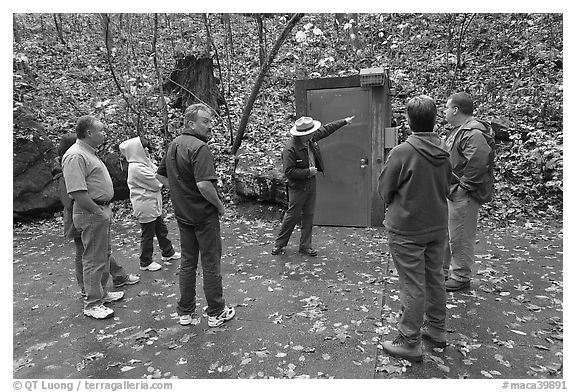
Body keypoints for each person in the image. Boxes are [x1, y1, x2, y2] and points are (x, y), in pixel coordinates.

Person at [378, 95, 452, 361]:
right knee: (434, 278)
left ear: (408, 122)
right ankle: (436, 329)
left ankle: (410, 340)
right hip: (436, 226)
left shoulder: (402, 152)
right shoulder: (444, 151)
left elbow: (385, 189)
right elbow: (448, 187)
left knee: (412, 285)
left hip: (407, 229)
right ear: (434, 120)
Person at [156, 103, 235, 328]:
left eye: (210, 121)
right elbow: (204, 185)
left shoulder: (174, 144)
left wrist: (180, 193)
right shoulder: (200, 148)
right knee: (211, 263)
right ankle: (216, 311)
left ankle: (186, 312)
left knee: (188, 263)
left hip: (183, 215)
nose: (210, 126)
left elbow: (160, 176)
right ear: (191, 124)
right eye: (205, 122)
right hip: (203, 217)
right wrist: (220, 207)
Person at [54, 134, 140, 299]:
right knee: (87, 253)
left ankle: (116, 277)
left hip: (89, 212)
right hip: (80, 214)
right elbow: (71, 198)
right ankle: (88, 289)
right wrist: (95, 209)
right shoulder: (70, 165)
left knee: (100, 250)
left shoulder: (81, 159)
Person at [62, 116, 131, 320]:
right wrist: (97, 211)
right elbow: (76, 191)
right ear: (89, 133)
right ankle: (92, 303)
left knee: (102, 254)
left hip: (99, 211)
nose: (104, 133)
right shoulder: (75, 156)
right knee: (93, 259)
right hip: (90, 212)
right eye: (101, 130)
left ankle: (102, 293)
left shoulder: (88, 152)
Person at [271, 114, 354, 257]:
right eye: (310, 132)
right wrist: (307, 172)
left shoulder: (310, 138)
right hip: (297, 187)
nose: (313, 134)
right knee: (292, 215)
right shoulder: (290, 149)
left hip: (310, 183)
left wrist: (344, 121)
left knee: (309, 215)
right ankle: (279, 245)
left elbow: (327, 129)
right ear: (302, 134)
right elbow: (288, 171)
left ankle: (305, 246)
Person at [442, 92, 495, 292]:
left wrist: (464, 186)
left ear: (455, 110)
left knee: (461, 235)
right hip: (454, 191)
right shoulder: (460, 130)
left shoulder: (473, 133)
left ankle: (461, 276)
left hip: (462, 193)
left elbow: (479, 160)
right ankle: (451, 270)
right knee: (452, 233)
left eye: (447, 108)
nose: (444, 112)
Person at [119, 136, 180, 272]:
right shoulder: (136, 168)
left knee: (161, 229)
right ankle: (145, 261)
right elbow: (157, 182)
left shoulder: (145, 163)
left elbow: (159, 173)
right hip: (144, 204)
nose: (147, 150)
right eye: (143, 148)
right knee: (148, 234)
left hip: (152, 203)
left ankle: (167, 252)